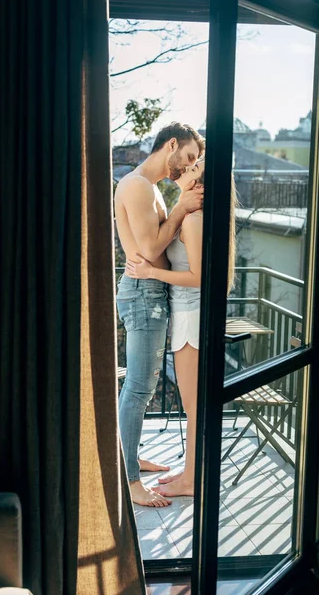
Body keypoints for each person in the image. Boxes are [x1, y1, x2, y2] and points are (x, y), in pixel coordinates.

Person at [126, 159, 237, 497]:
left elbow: (199, 278)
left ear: (199, 185)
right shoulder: (192, 218)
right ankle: (191, 473)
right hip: (190, 317)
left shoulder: (194, 221)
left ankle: (192, 479)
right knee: (195, 404)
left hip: (192, 320)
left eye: (193, 169)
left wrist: (151, 274)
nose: (185, 169)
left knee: (193, 405)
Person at [115, 122, 205, 507]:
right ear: (171, 144)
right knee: (138, 387)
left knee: (143, 386)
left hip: (151, 292)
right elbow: (151, 250)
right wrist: (183, 206)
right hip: (143, 292)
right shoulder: (137, 186)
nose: (186, 168)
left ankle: (129, 459)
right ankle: (130, 481)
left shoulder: (149, 189)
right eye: (187, 157)